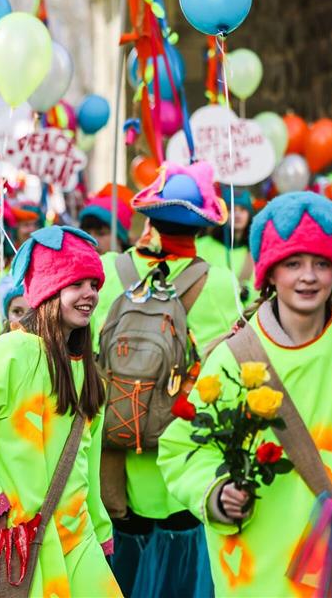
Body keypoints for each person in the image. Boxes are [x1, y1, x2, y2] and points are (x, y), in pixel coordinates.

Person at [158, 191, 332, 596]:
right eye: (293, 263)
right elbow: (181, 448)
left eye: (321, 264)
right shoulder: (234, 359)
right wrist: (217, 493)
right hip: (256, 572)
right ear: (270, 273)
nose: (308, 276)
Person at [0, 225, 121, 597]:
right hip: (12, 545)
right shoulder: (9, 353)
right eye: (77, 283)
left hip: (75, 542)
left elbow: (86, 466)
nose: (90, 294)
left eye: (94, 284)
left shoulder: (87, 370)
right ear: (48, 291)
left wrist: (100, 532)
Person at [91, 162, 241, 597]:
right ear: (200, 226)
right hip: (182, 464)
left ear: (149, 218)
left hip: (111, 459)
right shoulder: (219, 283)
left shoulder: (106, 271)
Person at [196, 188, 257, 303]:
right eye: (231, 209)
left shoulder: (256, 251)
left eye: (243, 209)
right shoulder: (202, 246)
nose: (237, 215)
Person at [79, 183, 134, 254]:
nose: (91, 241)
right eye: (86, 233)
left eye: (101, 234)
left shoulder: (135, 263)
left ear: (120, 238)